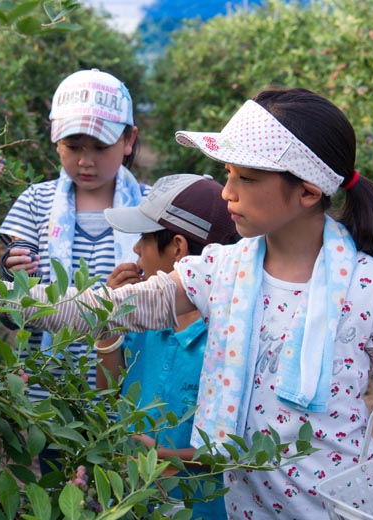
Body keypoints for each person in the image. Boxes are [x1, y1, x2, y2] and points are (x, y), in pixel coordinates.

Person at [0, 87, 373, 518]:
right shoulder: (219, 273)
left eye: (245, 178)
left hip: (343, 506)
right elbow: (88, 308)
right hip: (241, 506)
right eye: (227, 173)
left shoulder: (372, 289)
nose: (227, 192)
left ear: (308, 192)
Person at [0, 68, 150, 406]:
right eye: (73, 146)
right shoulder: (36, 204)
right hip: (50, 394)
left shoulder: (151, 210)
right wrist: (14, 274)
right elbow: (10, 314)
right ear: (56, 142)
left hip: (128, 394)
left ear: (129, 141)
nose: (85, 160)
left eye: (99, 146)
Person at [96, 174, 238, 519]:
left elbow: (241, 448)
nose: (136, 250)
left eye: (145, 238)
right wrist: (110, 321)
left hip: (202, 506)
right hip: (135, 498)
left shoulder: (227, 336)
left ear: (177, 248)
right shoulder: (145, 316)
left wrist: (161, 455)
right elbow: (108, 390)